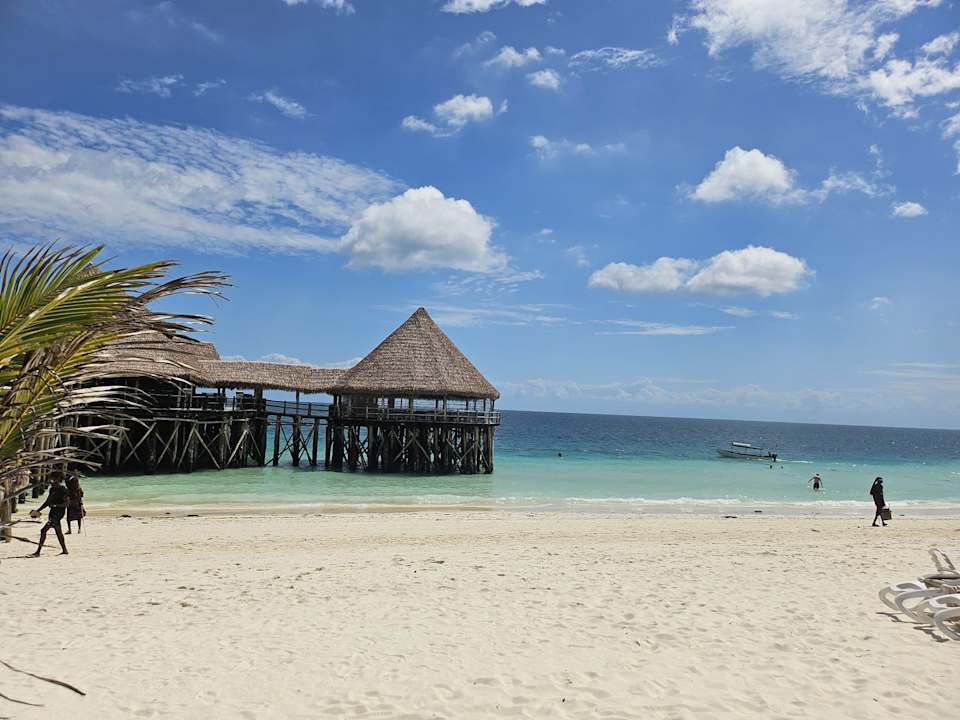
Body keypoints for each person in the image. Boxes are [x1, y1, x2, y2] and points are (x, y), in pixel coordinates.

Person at [31, 473, 69, 556]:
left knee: (43, 530)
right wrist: (37, 511)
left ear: (58, 479)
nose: (51, 481)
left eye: (53, 479)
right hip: (52, 513)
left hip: (58, 514)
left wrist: (55, 505)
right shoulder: (52, 489)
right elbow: (47, 502)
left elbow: (66, 504)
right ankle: (65, 550)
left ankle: (38, 552)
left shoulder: (63, 490)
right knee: (58, 532)